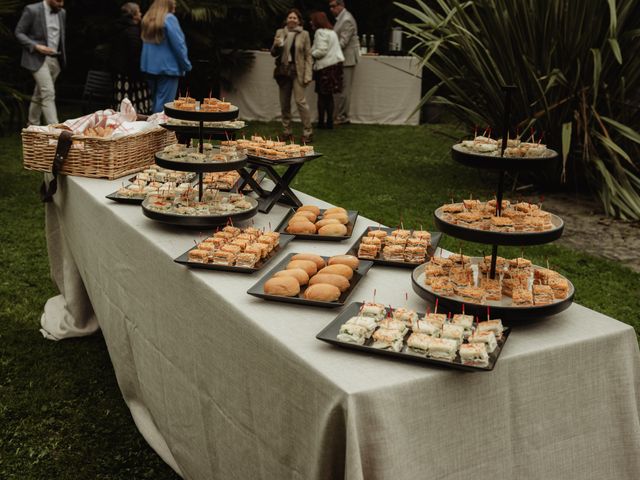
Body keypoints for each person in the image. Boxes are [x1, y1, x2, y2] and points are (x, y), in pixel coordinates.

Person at [15, 0, 66, 126]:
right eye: (58, 1)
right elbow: (19, 32)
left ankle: (32, 125)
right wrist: (36, 46)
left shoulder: (62, 13)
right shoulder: (32, 10)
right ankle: (55, 130)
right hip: (37, 58)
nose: (61, 4)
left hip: (55, 60)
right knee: (48, 92)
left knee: (39, 93)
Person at [140, 0, 191, 113]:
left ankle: (152, 128)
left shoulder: (148, 19)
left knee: (156, 102)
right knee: (164, 105)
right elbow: (179, 45)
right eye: (173, 2)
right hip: (168, 68)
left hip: (149, 68)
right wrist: (186, 65)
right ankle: (159, 129)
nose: (175, 4)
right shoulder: (169, 19)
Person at [270, 9, 313, 142]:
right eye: (290, 17)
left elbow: (308, 56)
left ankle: (308, 132)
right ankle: (286, 131)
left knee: (301, 102)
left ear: (299, 21)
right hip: (284, 71)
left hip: (298, 71)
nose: (292, 20)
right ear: (286, 20)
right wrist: (276, 45)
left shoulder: (304, 34)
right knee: (284, 103)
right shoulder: (280, 32)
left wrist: (308, 74)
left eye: (295, 18)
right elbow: (273, 53)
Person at [111, 2, 151, 114]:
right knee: (132, 107)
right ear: (133, 15)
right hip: (131, 76)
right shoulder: (133, 31)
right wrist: (141, 75)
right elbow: (135, 55)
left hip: (120, 73)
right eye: (139, 11)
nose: (141, 14)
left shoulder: (118, 28)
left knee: (121, 105)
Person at [310, 12, 344, 130]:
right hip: (335, 67)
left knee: (322, 96)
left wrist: (309, 54)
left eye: (312, 20)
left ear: (317, 21)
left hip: (325, 68)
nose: (310, 22)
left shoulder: (320, 32)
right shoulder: (332, 32)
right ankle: (329, 122)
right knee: (329, 96)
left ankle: (321, 123)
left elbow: (321, 51)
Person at [329, 0, 358, 125]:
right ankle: (339, 115)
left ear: (341, 6)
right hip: (342, 58)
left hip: (348, 59)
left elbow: (343, 42)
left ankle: (343, 116)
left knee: (345, 89)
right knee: (341, 88)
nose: (331, 9)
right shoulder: (341, 18)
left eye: (333, 6)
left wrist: (328, 51)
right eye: (330, 6)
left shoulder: (347, 19)